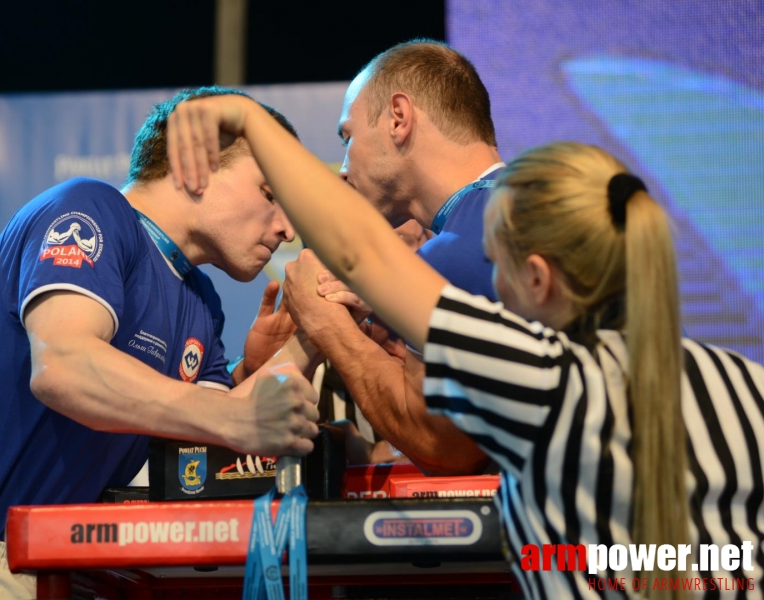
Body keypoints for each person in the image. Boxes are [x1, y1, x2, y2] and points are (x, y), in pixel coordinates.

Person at [166, 94, 764, 599]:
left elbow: (358, 252)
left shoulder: (537, 379)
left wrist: (248, 120)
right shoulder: (749, 385)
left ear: (535, 279)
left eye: (494, 265)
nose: (489, 288)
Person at [0, 87, 321, 600]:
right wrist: (237, 413)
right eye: (270, 193)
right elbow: (64, 367)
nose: (286, 227)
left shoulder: (198, 296)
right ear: (197, 161)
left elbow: (204, 448)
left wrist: (305, 341)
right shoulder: (89, 209)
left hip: (76, 568)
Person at [280, 39, 503, 475]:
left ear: (399, 118)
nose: (343, 167)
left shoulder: (455, 250)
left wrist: (328, 325)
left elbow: (444, 449)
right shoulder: (525, 204)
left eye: (348, 136)